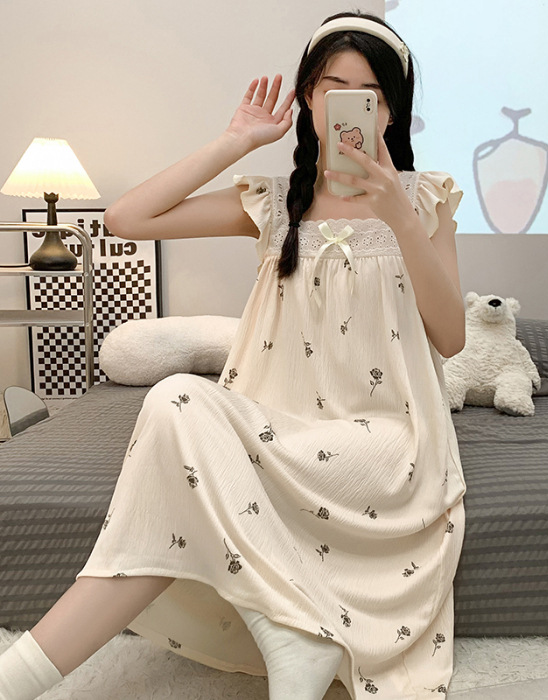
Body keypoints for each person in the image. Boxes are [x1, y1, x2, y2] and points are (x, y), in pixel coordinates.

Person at [0, 11, 467, 700]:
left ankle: (285, 631)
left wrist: (398, 215)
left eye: (368, 94)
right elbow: (127, 219)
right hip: (274, 436)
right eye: (332, 89)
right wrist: (235, 140)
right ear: (308, 98)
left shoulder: (425, 200)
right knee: (175, 398)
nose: (348, 107)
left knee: (177, 422)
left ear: (391, 111)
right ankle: (22, 677)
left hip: (383, 448)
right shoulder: (274, 205)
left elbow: (452, 337)